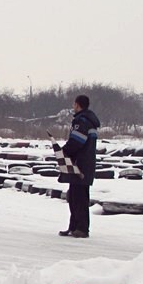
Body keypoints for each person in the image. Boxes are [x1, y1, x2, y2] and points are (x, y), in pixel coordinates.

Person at [58, 94, 101, 238]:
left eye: (74, 104)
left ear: (77, 105)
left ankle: (82, 229)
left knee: (79, 198)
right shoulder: (90, 122)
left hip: (80, 165)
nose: (73, 107)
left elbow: (76, 141)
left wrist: (63, 151)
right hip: (86, 164)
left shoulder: (82, 122)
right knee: (75, 196)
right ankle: (74, 226)